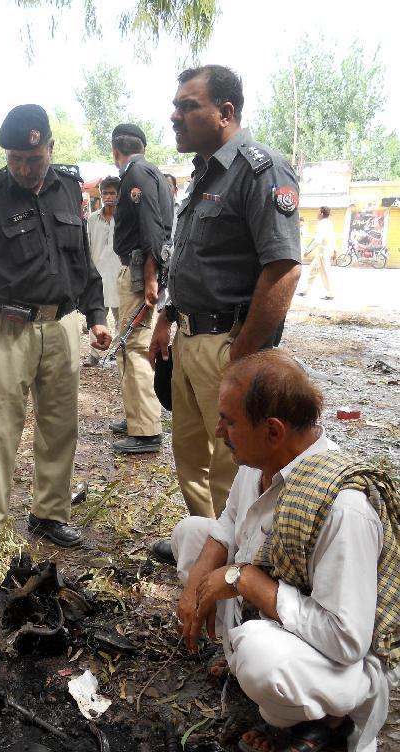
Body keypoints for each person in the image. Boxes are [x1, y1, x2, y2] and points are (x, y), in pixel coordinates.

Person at [174, 350, 399, 752]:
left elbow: (348, 641)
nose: (220, 429)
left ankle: (326, 719)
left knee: (260, 655)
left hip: (340, 662)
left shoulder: (343, 509)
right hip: (280, 620)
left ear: (273, 431)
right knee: (191, 535)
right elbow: (227, 525)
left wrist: (247, 581)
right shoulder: (258, 461)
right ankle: (237, 655)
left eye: (230, 421)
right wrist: (196, 588)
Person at [0, 104, 111, 547]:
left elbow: (81, 260)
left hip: (62, 327)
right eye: (14, 158)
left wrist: (95, 315)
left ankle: (49, 513)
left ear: (50, 148)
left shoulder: (68, 187)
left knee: (59, 424)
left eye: (32, 159)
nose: (22, 167)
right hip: (6, 326)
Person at [149, 65, 301, 564]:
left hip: (227, 344)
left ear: (226, 112)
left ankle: (240, 564)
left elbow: (282, 269)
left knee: (233, 462)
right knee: (189, 454)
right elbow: (188, 256)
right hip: (189, 338)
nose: (175, 116)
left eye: (188, 106)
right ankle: (202, 544)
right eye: (176, 105)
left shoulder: (261, 170)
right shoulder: (201, 174)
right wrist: (166, 317)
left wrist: (245, 352)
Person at [111, 123, 173, 454]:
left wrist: (150, 276)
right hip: (140, 270)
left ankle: (147, 429)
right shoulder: (150, 171)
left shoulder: (136, 174)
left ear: (115, 152)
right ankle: (137, 416)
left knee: (134, 347)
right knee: (128, 347)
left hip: (139, 272)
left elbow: (151, 228)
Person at [84, 175, 122, 368]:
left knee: (120, 317)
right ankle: (95, 354)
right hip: (97, 274)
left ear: (118, 194)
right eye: (105, 193)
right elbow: (88, 247)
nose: (108, 197)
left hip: (119, 274)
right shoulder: (92, 219)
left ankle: (116, 352)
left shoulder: (124, 218)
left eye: (112, 193)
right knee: (96, 315)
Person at [297, 206, 335, 300]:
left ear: (321, 214)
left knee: (325, 273)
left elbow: (318, 240)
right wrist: (335, 251)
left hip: (323, 252)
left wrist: (308, 250)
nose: (317, 214)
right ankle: (304, 291)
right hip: (323, 252)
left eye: (318, 212)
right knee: (312, 271)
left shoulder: (322, 224)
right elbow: (332, 238)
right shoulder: (329, 223)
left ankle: (330, 294)